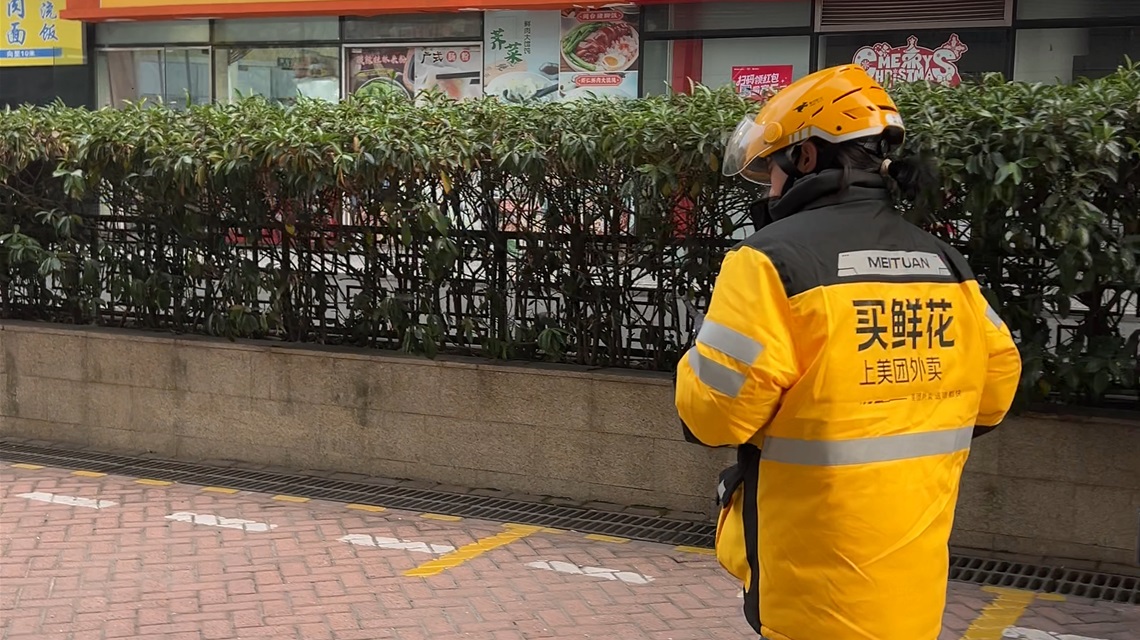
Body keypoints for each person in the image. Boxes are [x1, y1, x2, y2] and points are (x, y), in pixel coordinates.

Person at [673, 64, 1022, 640]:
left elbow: (714, 412)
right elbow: (996, 388)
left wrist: (691, 365)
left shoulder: (768, 262)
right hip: (914, 590)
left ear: (807, 159)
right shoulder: (943, 265)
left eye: (772, 171)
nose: (769, 189)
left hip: (813, 592)